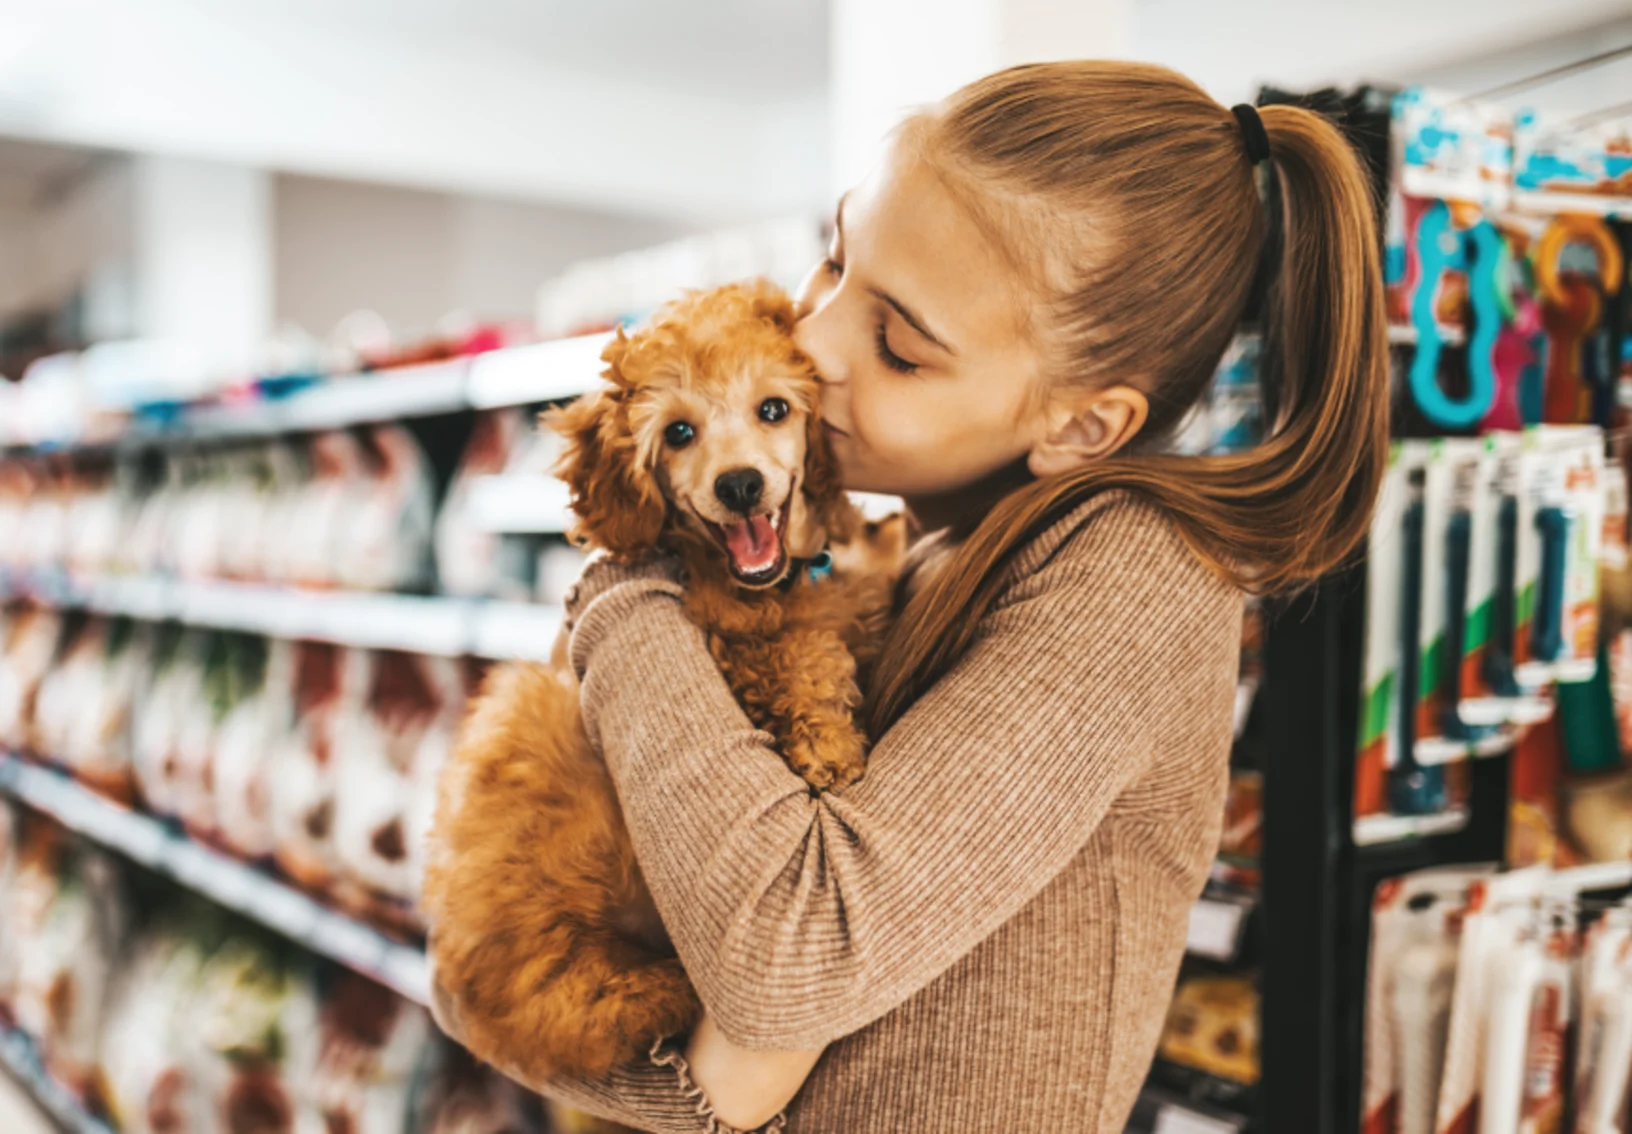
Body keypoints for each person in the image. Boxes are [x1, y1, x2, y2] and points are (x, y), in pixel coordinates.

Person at [432, 59, 1387, 1133]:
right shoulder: (918, 543)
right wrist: (520, 1003)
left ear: (1081, 428)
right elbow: (721, 1047)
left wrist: (628, 590)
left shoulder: (1136, 571)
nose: (820, 344)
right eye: (834, 259)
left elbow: (788, 956)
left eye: (898, 345)